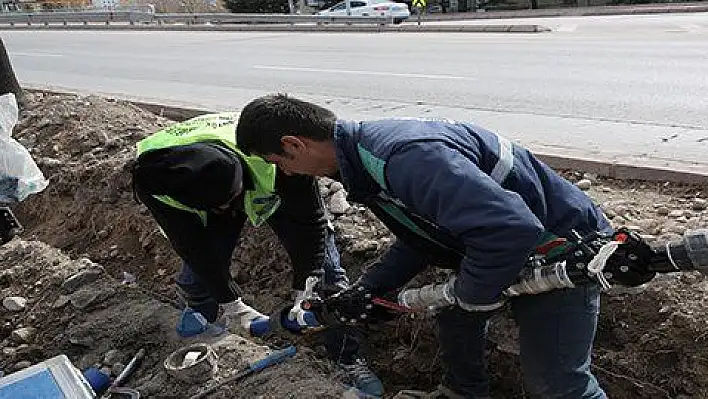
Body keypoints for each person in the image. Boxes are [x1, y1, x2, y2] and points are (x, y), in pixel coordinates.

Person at [235, 93, 612, 399]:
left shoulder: (403, 156)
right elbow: (425, 237)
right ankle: (463, 391)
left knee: (558, 384)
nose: (284, 173)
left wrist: (472, 295)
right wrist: (371, 288)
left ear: (293, 144)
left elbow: (508, 229)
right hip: (509, 244)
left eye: (277, 163)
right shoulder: (364, 160)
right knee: (453, 315)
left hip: (562, 249)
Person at [129, 112, 383, 397]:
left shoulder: (276, 156)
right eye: (221, 208)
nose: (229, 211)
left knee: (328, 276)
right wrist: (231, 303)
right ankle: (204, 321)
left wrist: (306, 285)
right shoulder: (158, 180)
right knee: (203, 267)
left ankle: (347, 357)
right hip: (203, 195)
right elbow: (192, 246)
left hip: (265, 180)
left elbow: (309, 224)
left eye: (231, 201)